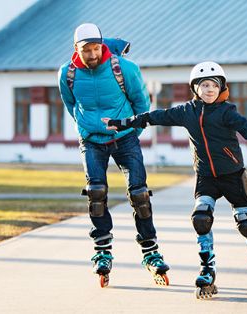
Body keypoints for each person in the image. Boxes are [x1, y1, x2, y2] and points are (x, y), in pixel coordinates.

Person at [103, 61, 247, 297]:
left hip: (233, 176)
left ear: (221, 87)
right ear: (195, 88)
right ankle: (207, 269)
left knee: (246, 224)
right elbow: (153, 117)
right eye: (204, 85)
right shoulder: (186, 112)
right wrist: (121, 123)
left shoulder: (228, 112)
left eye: (213, 85)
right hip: (206, 177)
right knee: (201, 219)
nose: (209, 90)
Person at [58, 23, 169, 287]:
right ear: (76, 49)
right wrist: (87, 127)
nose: (93, 53)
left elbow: (142, 103)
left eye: (96, 48)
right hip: (92, 141)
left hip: (125, 137)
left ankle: (150, 251)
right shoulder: (67, 73)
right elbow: (70, 104)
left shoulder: (124, 68)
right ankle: (102, 251)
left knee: (139, 193)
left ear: (102, 45)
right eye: (87, 49)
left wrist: (132, 130)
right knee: (96, 192)